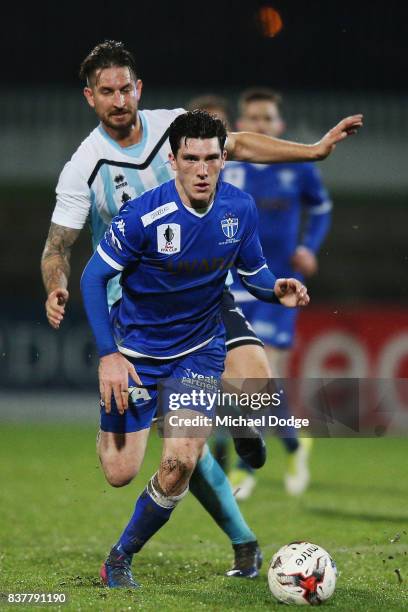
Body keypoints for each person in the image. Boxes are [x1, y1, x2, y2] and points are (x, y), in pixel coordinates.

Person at [40, 41, 361, 580]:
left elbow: (240, 144)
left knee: (242, 397)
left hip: (203, 297)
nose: (119, 99)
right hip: (135, 309)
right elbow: (59, 247)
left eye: (126, 88)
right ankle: (241, 531)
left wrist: (312, 151)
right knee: (131, 466)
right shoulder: (83, 167)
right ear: (89, 97)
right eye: (107, 91)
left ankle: (238, 438)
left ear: (138, 89)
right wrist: (56, 286)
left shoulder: (177, 128)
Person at [80, 109, 310, 588]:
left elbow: (253, 274)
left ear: (223, 158)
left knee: (179, 462)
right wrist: (109, 355)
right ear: (174, 159)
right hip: (138, 353)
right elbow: (93, 276)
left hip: (199, 350)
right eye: (191, 158)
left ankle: (119, 559)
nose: (202, 169)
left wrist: (276, 288)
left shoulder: (239, 208)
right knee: (119, 472)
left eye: (212, 158)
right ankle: (218, 415)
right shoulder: (144, 215)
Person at [223, 88, 333, 498]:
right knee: (243, 380)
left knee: (266, 371)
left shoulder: (296, 165)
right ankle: (292, 441)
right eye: (252, 118)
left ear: (279, 126)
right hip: (236, 282)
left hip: (282, 284)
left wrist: (309, 247)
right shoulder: (227, 165)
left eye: (268, 119)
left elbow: (322, 206)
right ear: (241, 123)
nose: (260, 125)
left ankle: (243, 468)